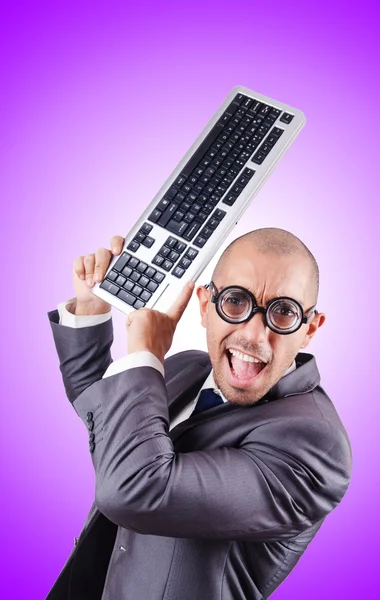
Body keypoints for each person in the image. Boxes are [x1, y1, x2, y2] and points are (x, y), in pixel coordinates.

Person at [45, 227, 352, 600]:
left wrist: (146, 354)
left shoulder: (315, 447)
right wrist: (93, 309)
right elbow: (111, 416)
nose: (254, 334)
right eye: (236, 301)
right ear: (205, 306)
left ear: (309, 330)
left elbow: (133, 489)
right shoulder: (186, 368)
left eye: (283, 312)